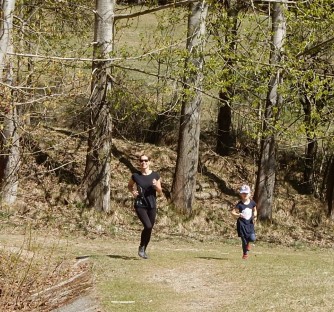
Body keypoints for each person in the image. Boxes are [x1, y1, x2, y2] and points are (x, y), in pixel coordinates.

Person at [128, 154, 162, 259]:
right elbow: (129, 185)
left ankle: (143, 249)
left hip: (152, 204)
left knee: (150, 228)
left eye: (146, 160)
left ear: (149, 162)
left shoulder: (155, 175)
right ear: (139, 162)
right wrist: (133, 191)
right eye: (141, 161)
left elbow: (160, 192)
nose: (143, 162)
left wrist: (156, 186)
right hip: (140, 204)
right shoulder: (136, 176)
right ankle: (141, 247)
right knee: (147, 226)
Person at [231, 184, 257, 259]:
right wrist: (238, 215)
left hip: (250, 223)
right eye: (243, 193)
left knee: (252, 238)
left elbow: (255, 210)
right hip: (241, 224)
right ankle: (245, 254)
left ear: (249, 193)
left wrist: (255, 216)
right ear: (241, 194)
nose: (245, 194)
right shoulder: (240, 204)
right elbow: (233, 212)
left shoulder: (252, 203)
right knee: (243, 239)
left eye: (246, 193)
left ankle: (248, 243)